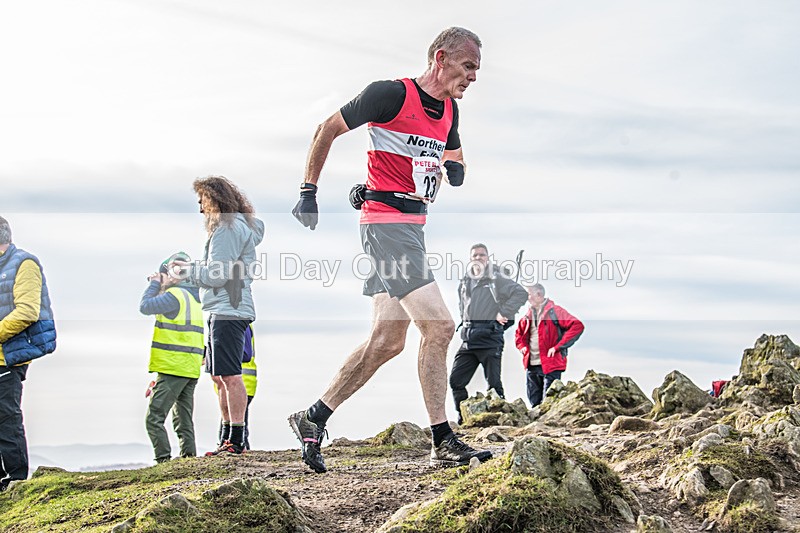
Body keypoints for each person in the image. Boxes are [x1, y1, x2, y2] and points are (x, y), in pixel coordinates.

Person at [289, 27, 491, 472]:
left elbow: (455, 158)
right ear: (441, 58)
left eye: (477, 69)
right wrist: (309, 190)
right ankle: (443, 441)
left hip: (412, 228)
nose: (473, 76)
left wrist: (453, 170)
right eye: (468, 66)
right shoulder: (390, 94)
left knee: (386, 342)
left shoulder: (450, 111)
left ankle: (313, 416)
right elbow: (328, 128)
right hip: (385, 229)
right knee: (440, 328)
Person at [172, 177, 265, 456]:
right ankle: (227, 437)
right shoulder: (235, 226)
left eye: (202, 202)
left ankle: (235, 440)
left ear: (214, 199)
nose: (200, 209)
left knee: (230, 376)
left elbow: (217, 273)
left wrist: (186, 271)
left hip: (228, 309)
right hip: (222, 308)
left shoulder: (227, 228)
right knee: (220, 376)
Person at [0, 216, 56, 491]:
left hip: (8, 355)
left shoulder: (24, 263)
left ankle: (16, 480)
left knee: (6, 418)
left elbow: (27, 311)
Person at [449, 244, 527, 424]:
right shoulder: (465, 281)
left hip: (490, 340)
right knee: (456, 381)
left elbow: (520, 293)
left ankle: (503, 422)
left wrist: (504, 313)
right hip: (468, 341)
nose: (478, 258)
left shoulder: (496, 279)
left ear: (487, 258)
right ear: (470, 258)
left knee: (494, 385)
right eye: (475, 255)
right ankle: (464, 420)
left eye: (482, 255)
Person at [139, 254, 204, 463]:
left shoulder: (175, 295)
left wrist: (154, 284)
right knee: (183, 419)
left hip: (173, 366)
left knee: (154, 418)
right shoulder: (193, 298)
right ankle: (188, 459)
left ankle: (163, 460)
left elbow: (145, 306)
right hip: (190, 367)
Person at [515, 283, 584, 407]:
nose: (527, 298)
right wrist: (522, 347)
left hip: (551, 364)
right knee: (534, 403)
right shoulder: (527, 316)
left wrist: (558, 346)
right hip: (532, 365)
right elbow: (519, 336)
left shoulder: (556, 311)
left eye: (529, 294)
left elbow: (577, 326)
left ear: (539, 294)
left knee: (549, 403)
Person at [213, 324, 257, 450]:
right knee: (228, 424)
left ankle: (240, 450)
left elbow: (245, 353)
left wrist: (221, 353)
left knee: (238, 426)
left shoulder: (241, 323)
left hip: (243, 383)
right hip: (231, 387)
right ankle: (227, 447)